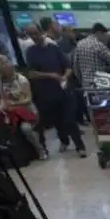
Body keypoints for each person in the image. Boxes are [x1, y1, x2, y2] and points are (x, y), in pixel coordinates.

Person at [24, 25, 87, 158]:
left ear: (41, 32)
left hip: (63, 90)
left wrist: (65, 76)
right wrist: (50, 75)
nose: (35, 37)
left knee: (70, 119)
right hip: (47, 92)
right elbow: (32, 73)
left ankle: (80, 146)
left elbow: (67, 66)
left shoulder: (53, 49)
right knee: (57, 120)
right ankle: (64, 140)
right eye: (31, 35)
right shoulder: (31, 52)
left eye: (36, 33)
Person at [0, 54, 46, 160]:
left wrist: (13, 104)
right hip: (11, 111)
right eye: (1, 64)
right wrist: (1, 106)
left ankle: (40, 149)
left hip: (27, 111)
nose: (4, 66)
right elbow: (2, 98)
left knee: (25, 129)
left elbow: (28, 99)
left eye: (6, 62)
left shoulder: (21, 79)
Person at [71, 23, 110, 89]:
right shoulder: (98, 45)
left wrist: (82, 81)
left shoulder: (79, 44)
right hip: (100, 84)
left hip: (86, 85)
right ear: (99, 33)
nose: (105, 38)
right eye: (104, 35)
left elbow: (76, 66)